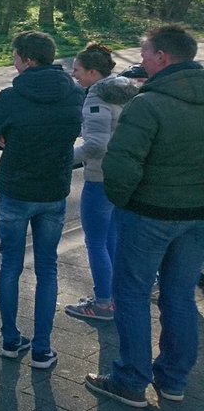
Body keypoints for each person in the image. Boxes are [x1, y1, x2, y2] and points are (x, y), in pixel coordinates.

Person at [86, 24, 204, 408]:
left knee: (132, 295)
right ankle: (174, 380)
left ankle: (131, 380)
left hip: (148, 215)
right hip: (197, 218)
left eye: (144, 53)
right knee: (180, 296)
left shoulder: (148, 104)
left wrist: (125, 204)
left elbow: (120, 167)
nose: (141, 59)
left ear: (162, 57)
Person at [0, 30, 82, 370]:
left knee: (10, 266)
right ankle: (42, 349)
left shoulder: (11, 97)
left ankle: (10, 340)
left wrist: (5, 138)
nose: (13, 62)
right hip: (53, 190)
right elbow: (73, 131)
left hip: (15, 190)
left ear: (26, 60)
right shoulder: (74, 93)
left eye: (15, 56)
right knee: (47, 269)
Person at [64, 44, 138, 321]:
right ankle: (117, 297)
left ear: (93, 73)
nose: (74, 75)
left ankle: (104, 303)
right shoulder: (125, 91)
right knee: (113, 240)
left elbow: (96, 144)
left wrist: (64, 159)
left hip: (100, 178)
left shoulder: (97, 96)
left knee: (96, 243)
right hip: (123, 175)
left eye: (78, 70)